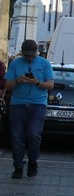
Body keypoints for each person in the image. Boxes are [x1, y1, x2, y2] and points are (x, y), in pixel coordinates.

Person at [4, 39, 54, 179]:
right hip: (18, 104)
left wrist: (37, 82)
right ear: (22, 53)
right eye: (26, 56)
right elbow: (7, 85)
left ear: (36, 53)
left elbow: (50, 85)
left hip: (38, 104)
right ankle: (18, 166)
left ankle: (33, 161)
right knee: (17, 136)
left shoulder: (44, 63)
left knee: (33, 133)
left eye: (31, 56)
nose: (29, 58)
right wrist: (17, 81)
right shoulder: (15, 63)